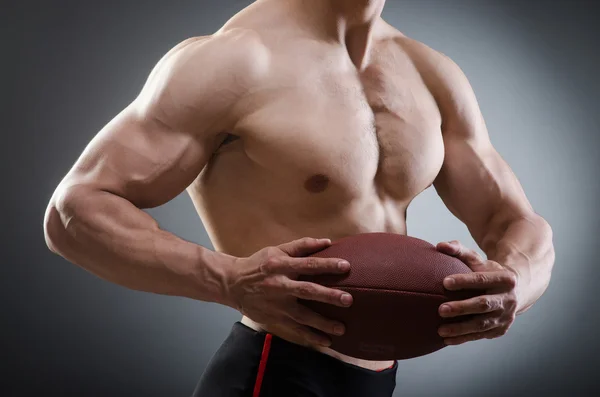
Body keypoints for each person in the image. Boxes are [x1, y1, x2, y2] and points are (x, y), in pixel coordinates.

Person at [43, 0, 555, 396]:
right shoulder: (236, 60)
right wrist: (227, 279)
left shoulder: (430, 72)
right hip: (276, 369)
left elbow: (514, 220)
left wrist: (515, 286)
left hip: (381, 378)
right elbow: (75, 210)